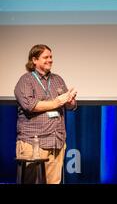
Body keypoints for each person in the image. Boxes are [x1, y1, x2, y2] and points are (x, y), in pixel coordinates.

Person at [14, 44, 77, 184]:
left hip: (56, 142)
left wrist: (70, 102)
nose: (50, 60)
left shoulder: (57, 80)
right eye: (45, 57)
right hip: (33, 143)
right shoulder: (26, 80)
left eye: (51, 57)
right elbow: (30, 105)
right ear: (34, 60)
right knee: (30, 182)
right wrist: (56, 102)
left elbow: (67, 105)